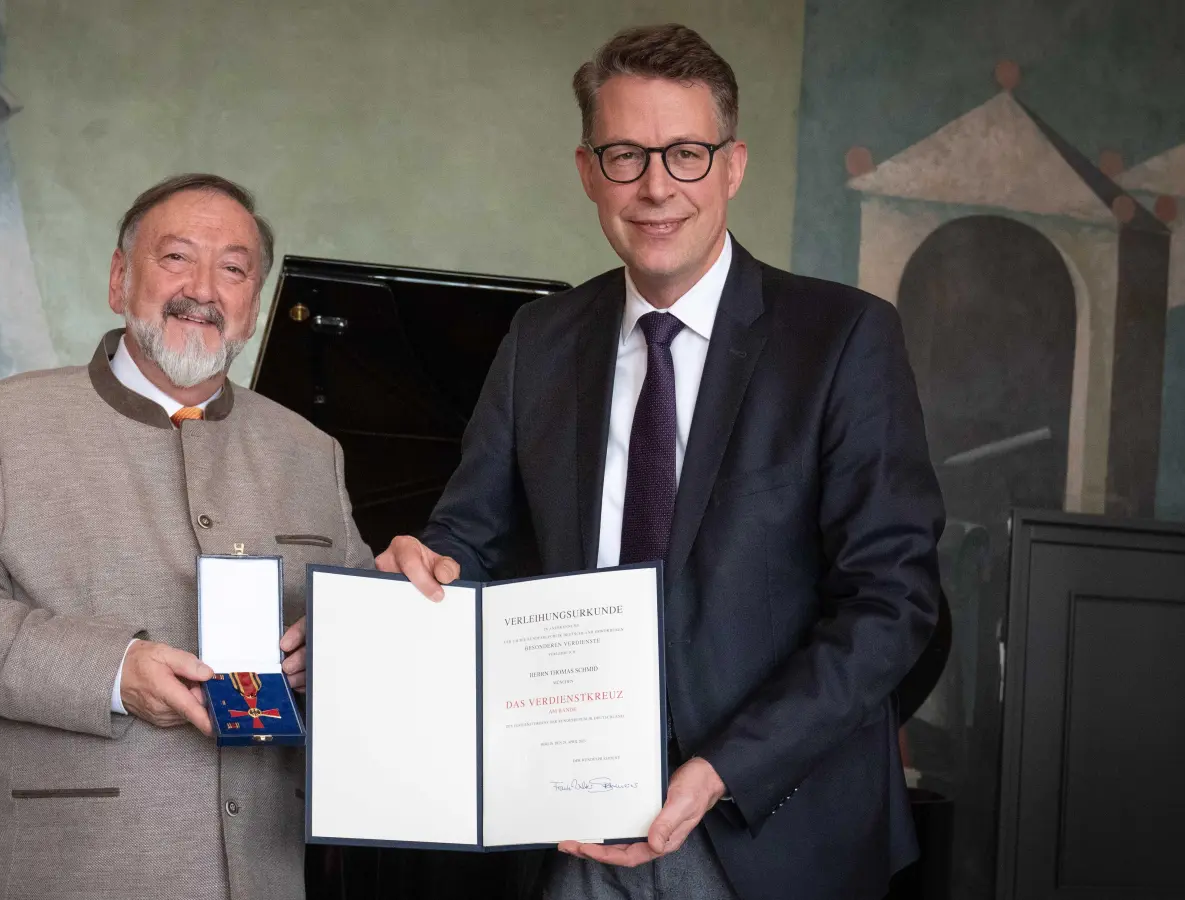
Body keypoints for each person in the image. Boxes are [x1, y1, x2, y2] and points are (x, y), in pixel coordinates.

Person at [377, 24, 945, 900]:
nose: (655, 187)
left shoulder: (843, 339)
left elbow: (892, 603)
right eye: (624, 156)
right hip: (571, 824)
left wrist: (723, 769)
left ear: (732, 166)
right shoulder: (539, 340)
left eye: (685, 153)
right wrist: (425, 569)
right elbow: (470, 539)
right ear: (587, 171)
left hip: (771, 828)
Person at [0, 173, 372, 900]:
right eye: (176, 258)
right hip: (64, 874)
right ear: (120, 279)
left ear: (253, 303)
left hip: (268, 874)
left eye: (233, 270)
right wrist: (112, 672)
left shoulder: (310, 452)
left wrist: (355, 629)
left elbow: (360, 639)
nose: (202, 290)